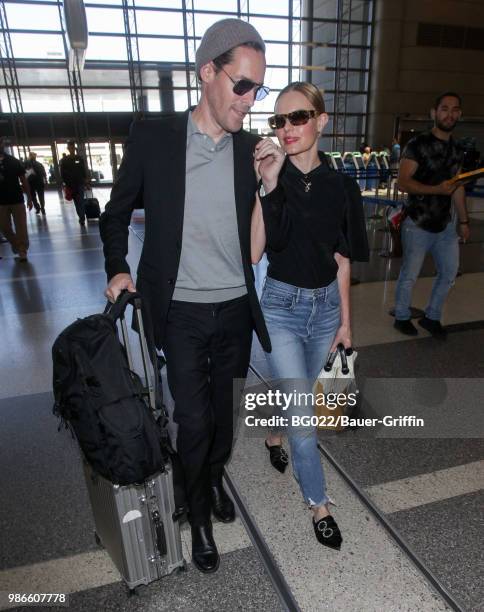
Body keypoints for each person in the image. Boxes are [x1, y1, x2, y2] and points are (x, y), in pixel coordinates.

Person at [100, 19, 271, 573]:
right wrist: (118, 268)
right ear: (207, 74)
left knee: (223, 419)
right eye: (241, 85)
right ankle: (197, 512)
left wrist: (275, 185)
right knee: (193, 421)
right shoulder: (156, 137)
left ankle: (212, 475)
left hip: (235, 312)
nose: (250, 100)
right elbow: (115, 212)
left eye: (258, 89)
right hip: (179, 311)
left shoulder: (251, 151)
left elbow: (277, 236)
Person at [251, 82, 369, 549]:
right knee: (307, 418)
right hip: (280, 306)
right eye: (278, 121)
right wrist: (266, 185)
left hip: (324, 311)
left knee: (300, 397)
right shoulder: (271, 177)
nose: (287, 129)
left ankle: (273, 434)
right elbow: (255, 252)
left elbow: (342, 260)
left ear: (321, 120)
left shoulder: (342, 187)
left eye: (297, 117)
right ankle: (319, 504)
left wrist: (345, 323)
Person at [393, 92, 469, 339]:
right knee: (409, 275)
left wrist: (464, 221)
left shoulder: (458, 149)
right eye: (444, 108)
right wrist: (437, 189)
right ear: (433, 113)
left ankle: (432, 316)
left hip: (445, 225)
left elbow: (457, 187)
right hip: (417, 222)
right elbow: (403, 182)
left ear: (459, 114)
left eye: (455, 109)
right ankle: (402, 317)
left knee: (449, 272)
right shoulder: (417, 145)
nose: (450, 113)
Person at [0, 137, 33, 262]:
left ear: (3, 144)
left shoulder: (14, 161)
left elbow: (23, 180)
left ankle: (22, 250)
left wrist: (29, 198)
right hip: (1, 202)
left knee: (21, 227)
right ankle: (16, 244)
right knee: (4, 227)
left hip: (17, 199)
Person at [60, 140, 88, 226]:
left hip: (80, 183)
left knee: (81, 200)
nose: (72, 149)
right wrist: (65, 184)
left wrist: (86, 180)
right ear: (68, 148)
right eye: (70, 147)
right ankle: (81, 216)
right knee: (76, 201)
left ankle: (82, 217)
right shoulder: (64, 161)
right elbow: (62, 174)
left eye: (73, 147)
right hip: (71, 185)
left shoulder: (79, 159)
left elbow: (83, 170)